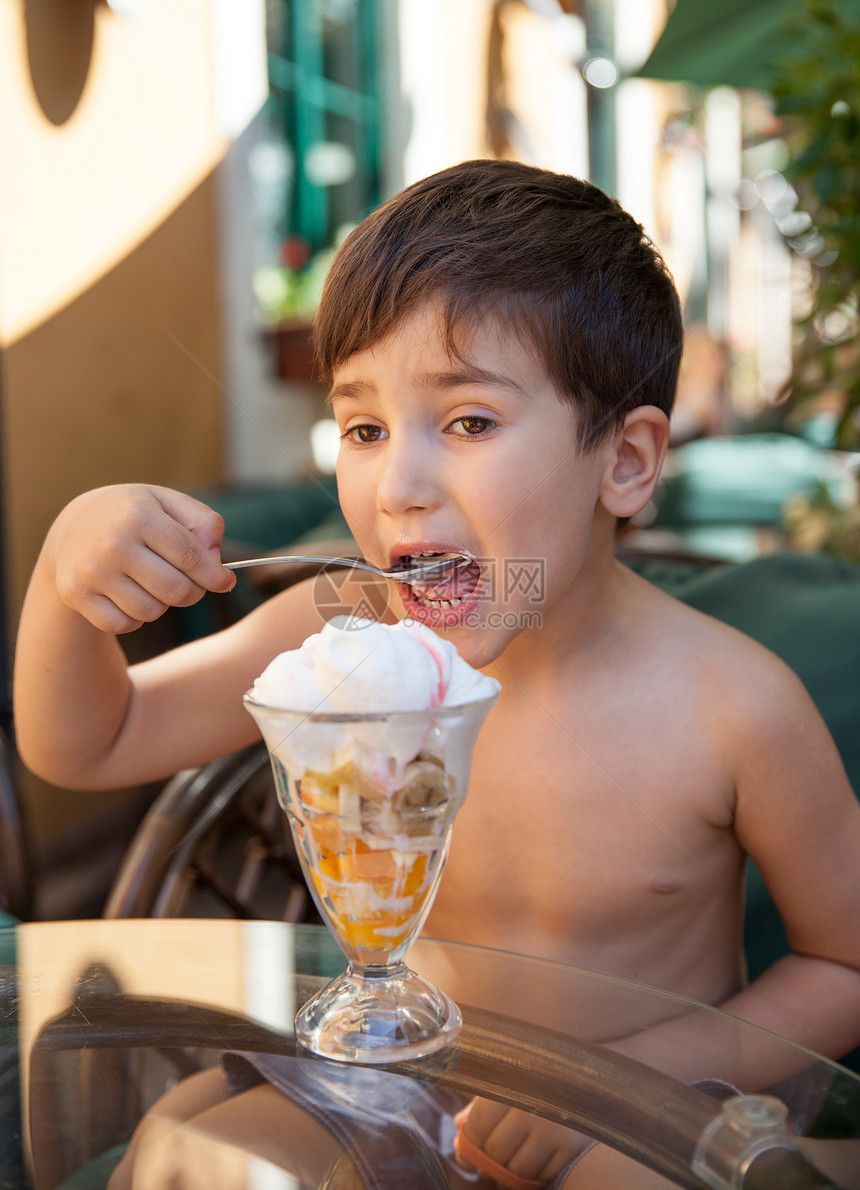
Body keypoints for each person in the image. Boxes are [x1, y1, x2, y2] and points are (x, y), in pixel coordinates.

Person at [14, 159, 860, 1188]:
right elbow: (90, 742)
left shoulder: (732, 704)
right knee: (188, 1152)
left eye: (467, 421)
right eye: (364, 426)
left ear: (625, 462)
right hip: (401, 1071)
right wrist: (65, 576)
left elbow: (842, 961)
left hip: (648, 1098)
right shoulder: (341, 624)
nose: (398, 486)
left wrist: (634, 1073)